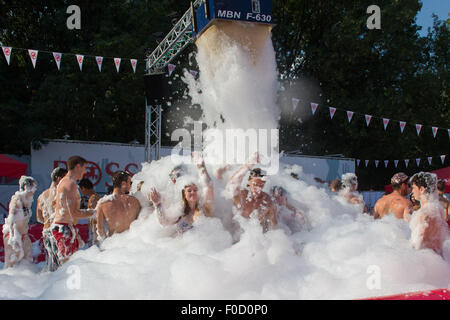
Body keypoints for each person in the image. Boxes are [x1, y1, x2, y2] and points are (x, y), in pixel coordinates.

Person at [149, 151, 214, 235]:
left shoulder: (205, 209)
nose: (193, 192)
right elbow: (164, 223)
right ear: (184, 194)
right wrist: (158, 205)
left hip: (202, 245)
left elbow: (208, 186)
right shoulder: (180, 211)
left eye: (195, 190)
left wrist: (201, 166)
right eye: (189, 190)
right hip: (182, 246)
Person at [52, 156, 96, 266]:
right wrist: (96, 212)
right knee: (67, 268)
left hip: (64, 227)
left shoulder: (65, 182)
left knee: (68, 266)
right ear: (77, 167)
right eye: (84, 168)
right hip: (64, 228)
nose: (85, 171)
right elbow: (74, 213)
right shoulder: (70, 184)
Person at [226, 152, 277, 233]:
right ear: (249, 182)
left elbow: (273, 226)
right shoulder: (242, 195)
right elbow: (232, 184)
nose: (258, 188)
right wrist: (249, 164)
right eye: (256, 184)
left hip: (254, 239)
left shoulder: (267, 201)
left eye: (261, 185)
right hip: (236, 236)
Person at [408, 172, 448, 256]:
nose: (412, 191)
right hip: (438, 258)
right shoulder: (437, 208)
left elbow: (418, 243)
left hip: (426, 260)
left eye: (413, 188)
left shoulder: (424, 213)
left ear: (422, 189)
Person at [36, 167, 67, 271]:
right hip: (57, 232)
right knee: (61, 264)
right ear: (59, 178)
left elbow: (39, 218)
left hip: (46, 232)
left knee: (50, 263)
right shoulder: (61, 195)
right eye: (65, 178)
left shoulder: (41, 196)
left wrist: (47, 221)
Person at [2, 176, 37, 269]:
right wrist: (13, 239)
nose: (35, 189)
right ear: (26, 187)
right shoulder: (17, 200)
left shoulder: (28, 200)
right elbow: (11, 220)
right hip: (12, 235)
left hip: (23, 235)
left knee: (28, 263)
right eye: (33, 187)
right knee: (11, 265)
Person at [96, 171, 141, 242]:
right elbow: (141, 224)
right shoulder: (135, 201)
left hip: (113, 246)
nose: (131, 186)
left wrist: (106, 244)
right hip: (132, 244)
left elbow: (100, 230)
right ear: (123, 184)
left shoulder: (103, 204)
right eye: (130, 183)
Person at [78, 178, 101, 246]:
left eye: (81, 189)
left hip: (95, 229)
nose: (81, 192)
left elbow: (93, 215)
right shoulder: (94, 197)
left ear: (84, 188)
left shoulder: (93, 198)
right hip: (94, 229)